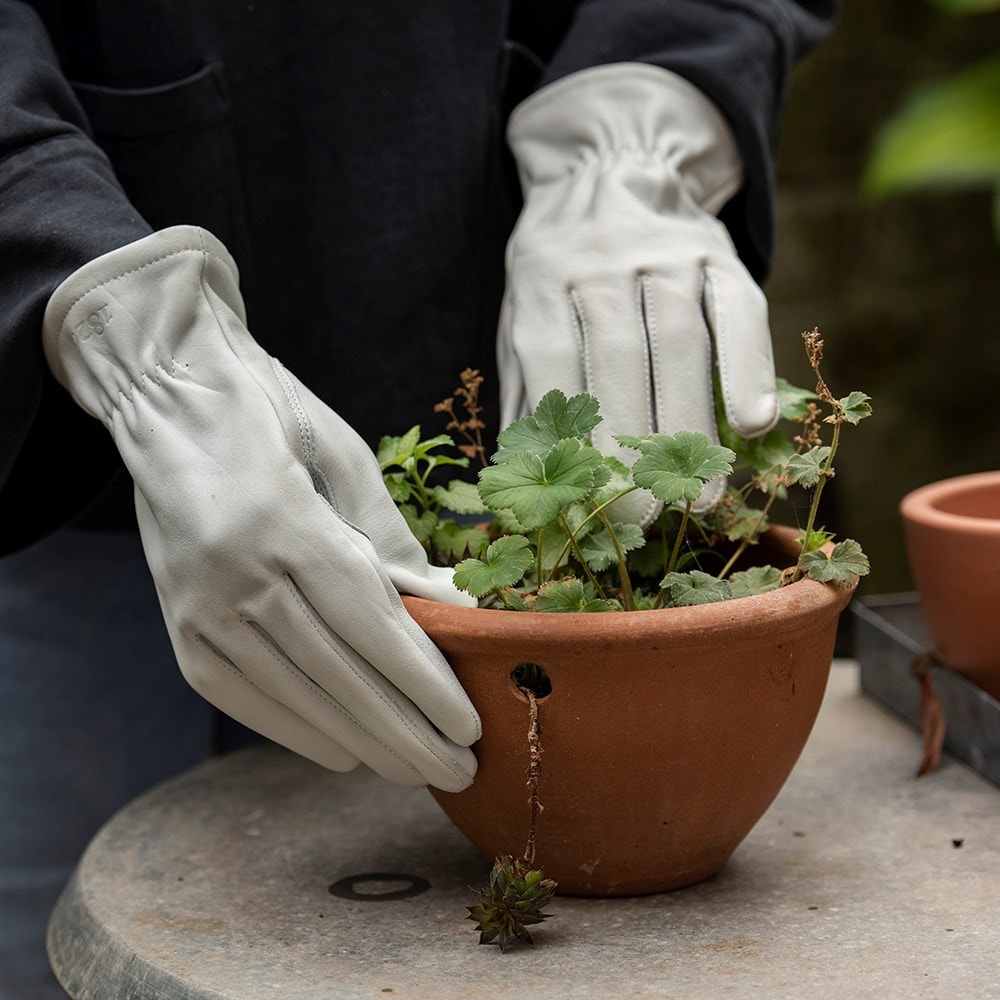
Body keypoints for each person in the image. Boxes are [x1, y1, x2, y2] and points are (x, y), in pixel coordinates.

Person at [0, 2, 837, 995]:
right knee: (58, 940)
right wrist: (80, 276)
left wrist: (647, 82)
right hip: (75, 480)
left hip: (486, 364)